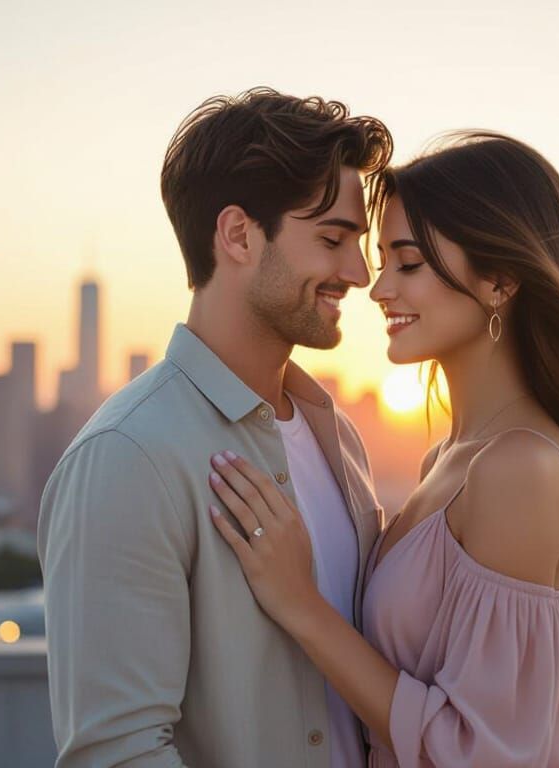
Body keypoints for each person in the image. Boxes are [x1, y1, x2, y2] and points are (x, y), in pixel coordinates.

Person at [206, 132, 559, 767]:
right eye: (382, 263)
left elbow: (482, 753)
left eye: (408, 263)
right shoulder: (450, 459)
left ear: (500, 280)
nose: (377, 290)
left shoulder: (520, 467)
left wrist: (301, 606)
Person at [37, 87, 392, 767]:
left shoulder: (334, 437)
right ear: (238, 235)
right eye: (333, 239)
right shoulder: (127, 457)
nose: (359, 272)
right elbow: (118, 754)